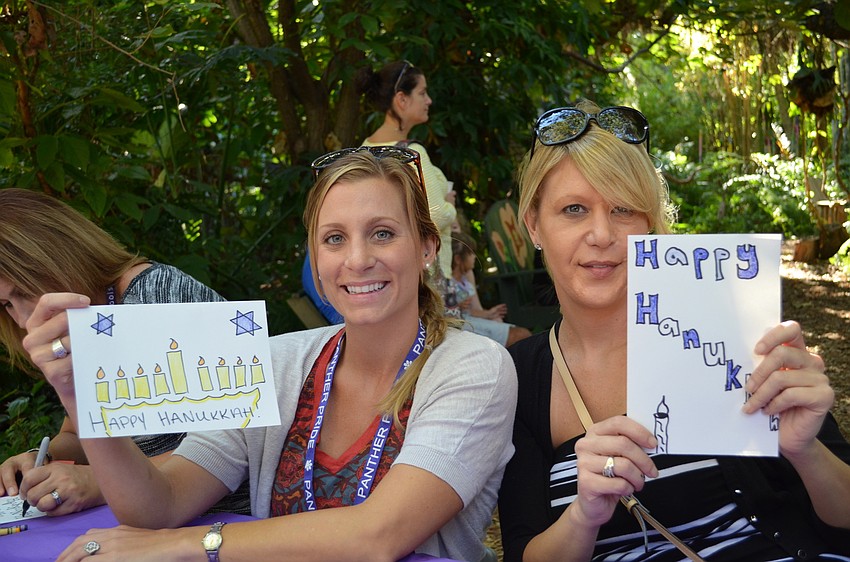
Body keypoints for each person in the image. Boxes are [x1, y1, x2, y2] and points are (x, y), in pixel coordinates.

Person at [25, 147, 517, 562]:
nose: (358, 258)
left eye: (383, 233)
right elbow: (159, 505)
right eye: (334, 238)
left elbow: (379, 536)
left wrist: (188, 545)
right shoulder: (275, 362)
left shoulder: (474, 366)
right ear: (316, 261)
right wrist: (80, 393)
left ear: (427, 246)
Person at [497, 101, 850, 561]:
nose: (601, 233)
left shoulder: (730, 327)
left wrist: (805, 451)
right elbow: (525, 552)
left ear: (650, 224)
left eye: (623, 209)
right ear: (534, 226)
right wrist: (584, 513)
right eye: (574, 209)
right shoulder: (517, 379)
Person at [0, 188, 250, 516]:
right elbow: (79, 429)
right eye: (6, 304)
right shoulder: (76, 323)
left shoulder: (159, 296)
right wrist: (41, 458)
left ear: (56, 255)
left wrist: (98, 481)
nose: (22, 320)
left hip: (226, 516)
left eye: (23, 292)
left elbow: (244, 434)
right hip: (144, 518)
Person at [356, 60, 457, 280]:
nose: (429, 100)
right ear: (402, 99)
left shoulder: (362, 152)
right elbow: (436, 215)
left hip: (385, 272)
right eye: (422, 93)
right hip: (425, 277)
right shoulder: (411, 154)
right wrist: (450, 205)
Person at [450, 231, 531, 347]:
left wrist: (489, 313)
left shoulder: (465, 281)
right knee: (522, 336)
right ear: (458, 259)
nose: (474, 257)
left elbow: (470, 311)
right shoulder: (447, 284)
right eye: (471, 253)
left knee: (519, 333)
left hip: (469, 321)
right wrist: (456, 306)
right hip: (461, 326)